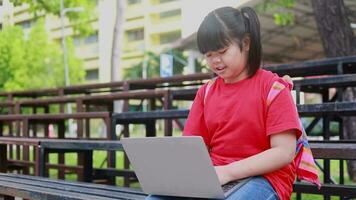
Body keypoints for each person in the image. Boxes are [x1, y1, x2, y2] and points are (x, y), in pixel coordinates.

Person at [147, 6, 302, 200]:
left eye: (222, 51)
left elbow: (284, 152)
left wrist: (228, 172)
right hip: (215, 176)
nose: (215, 61)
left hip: (264, 179)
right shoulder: (206, 92)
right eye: (209, 54)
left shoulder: (273, 88)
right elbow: (192, 147)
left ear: (246, 43)